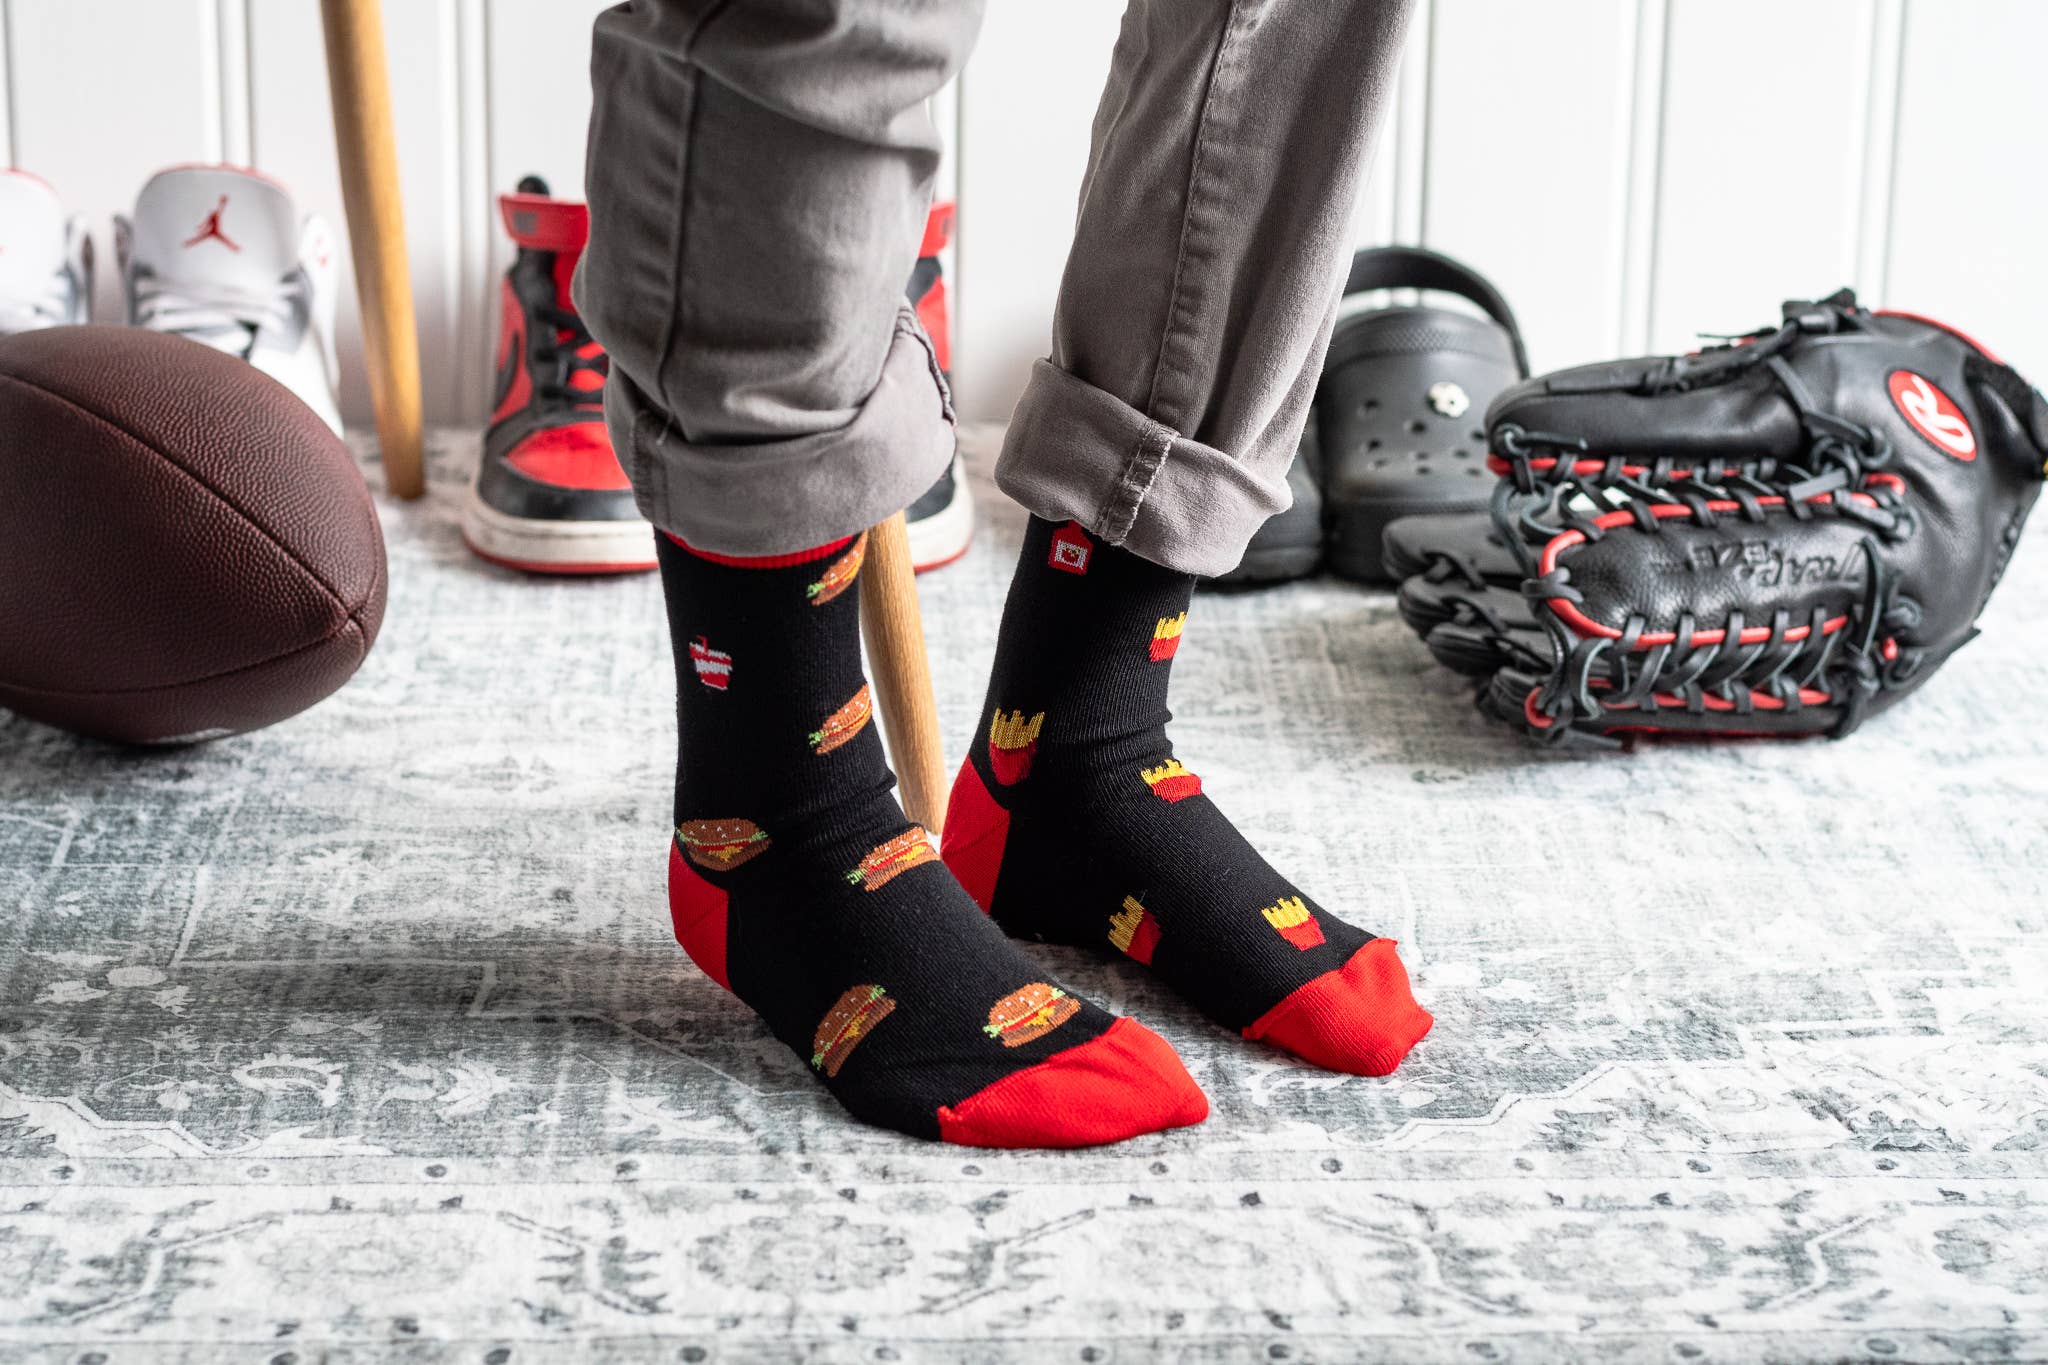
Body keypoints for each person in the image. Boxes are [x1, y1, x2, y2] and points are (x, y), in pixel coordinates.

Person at [576, 0, 1432, 1148]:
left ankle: (1080, 750)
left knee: (1282, 21)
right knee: (828, 15)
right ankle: (776, 815)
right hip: (776, 818)